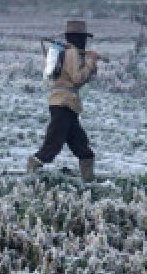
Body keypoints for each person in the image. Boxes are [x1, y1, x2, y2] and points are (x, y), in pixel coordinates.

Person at [27, 19, 99, 181]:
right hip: (64, 104)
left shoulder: (60, 52)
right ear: (80, 38)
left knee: (81, 145)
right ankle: (31, 169)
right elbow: (77, 78)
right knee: (52, 144)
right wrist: (90, 63)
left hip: (62, 103)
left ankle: (89, 179)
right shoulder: (72, 53)